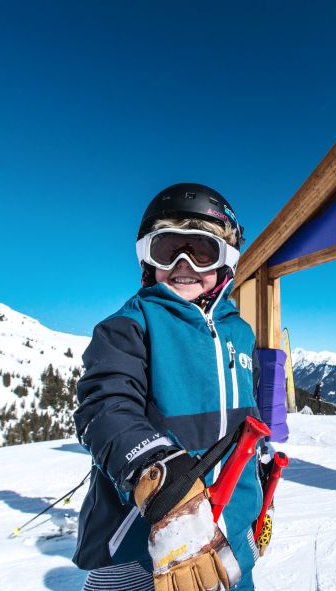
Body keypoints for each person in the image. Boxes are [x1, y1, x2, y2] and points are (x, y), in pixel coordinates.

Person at [72, 183, 262, 591]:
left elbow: (249, 417)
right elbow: (105, 406)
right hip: (144, 553)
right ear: (147, 259)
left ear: (226, 261)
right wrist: (156, 467)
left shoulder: (240, 333)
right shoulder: (128, 327)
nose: (183, 263)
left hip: (230, 543)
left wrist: (258, 488)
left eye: (201, 251)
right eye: (168, 249)